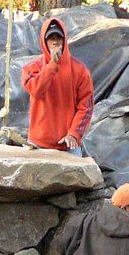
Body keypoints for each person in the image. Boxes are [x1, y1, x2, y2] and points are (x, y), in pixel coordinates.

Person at [21, 18, 93, 156]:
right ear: (44, 41)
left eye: (59, 37)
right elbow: (37, 90)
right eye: (51, 38)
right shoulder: (32, 68)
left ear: (65, 40)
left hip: (68, 146)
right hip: (37, 144)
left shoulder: (80, 71)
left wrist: (74, 134)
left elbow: (85, 107)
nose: (55, 42)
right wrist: (52, 65)